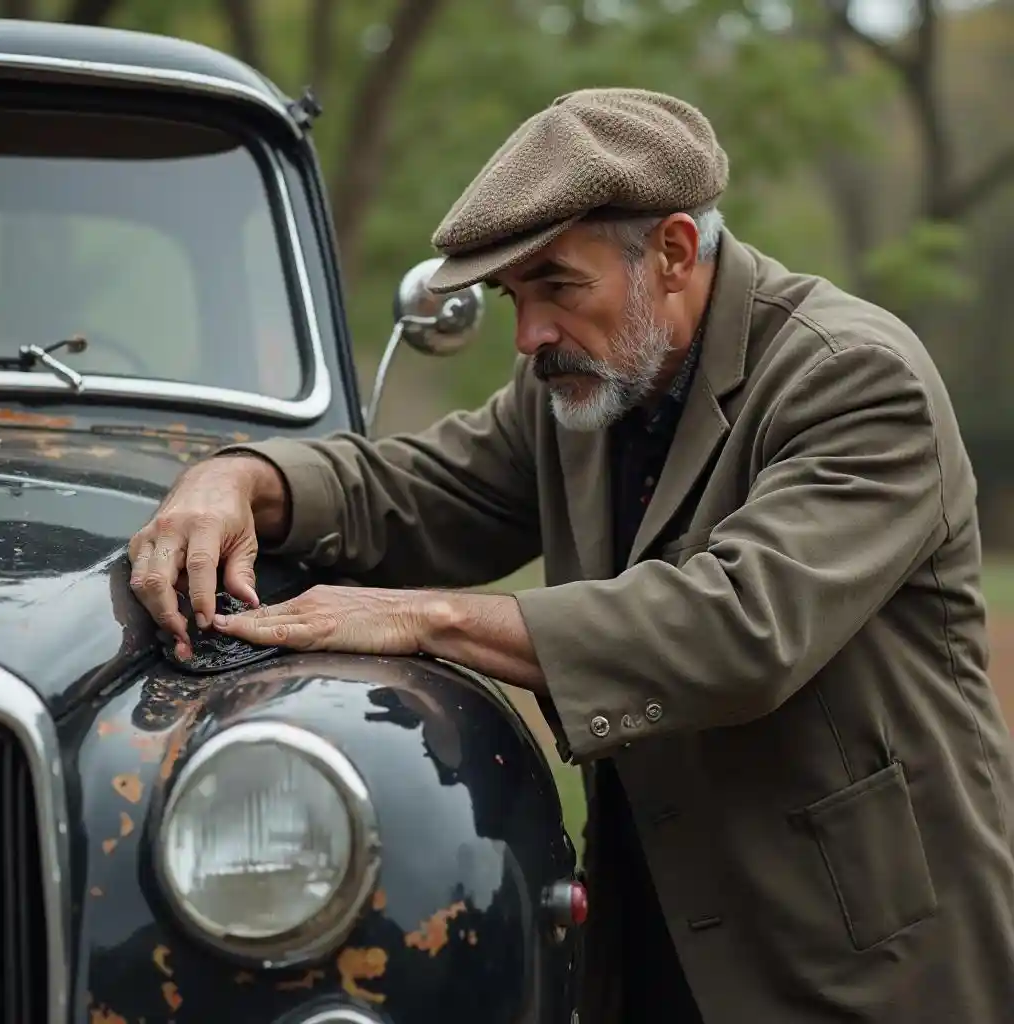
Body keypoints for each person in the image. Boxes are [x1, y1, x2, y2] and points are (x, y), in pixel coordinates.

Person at [128, 88, 1014, 1023]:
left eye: (557, 285)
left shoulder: (853, 378)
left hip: (859, 963)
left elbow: (741, 626)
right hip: (655, 940)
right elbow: (417, 490)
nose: (529, 335)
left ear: (673, 251)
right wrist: (240, 480)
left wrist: (427, 617)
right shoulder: (583, 384)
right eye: (514, 296)